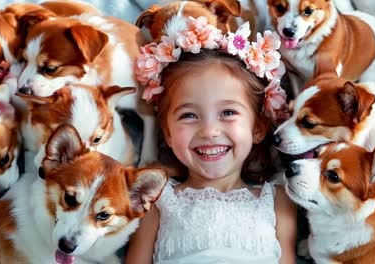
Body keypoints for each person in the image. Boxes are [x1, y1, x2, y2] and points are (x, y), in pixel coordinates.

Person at [126, 15, 296, 264]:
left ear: (258, 128)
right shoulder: (157, 200)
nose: (209, 130)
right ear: (168, 133)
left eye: (228, 113)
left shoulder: (277, 201)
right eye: (189, 115)